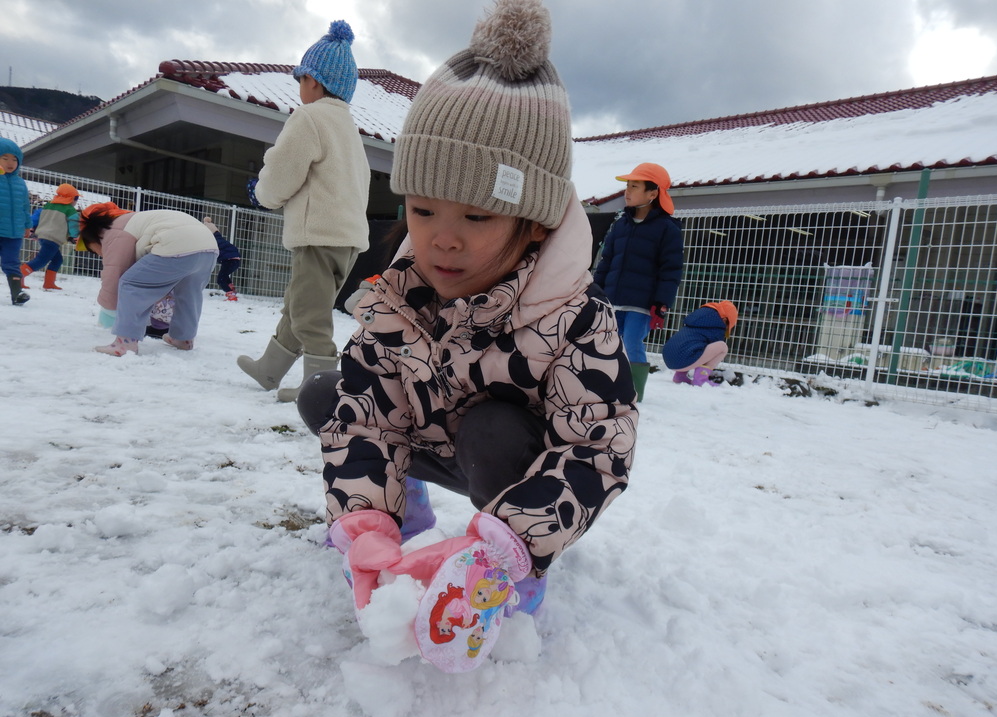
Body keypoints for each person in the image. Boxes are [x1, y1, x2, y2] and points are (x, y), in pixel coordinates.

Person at [296, 0, 637, 673]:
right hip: (432, 440)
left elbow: (596, 450)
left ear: (534, 222)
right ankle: (406, 515)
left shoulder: (571, 315)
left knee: (495, 429)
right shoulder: (401, 293)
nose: (441, 238)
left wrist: (508, 543)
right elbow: (368, 418)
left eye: (477, 215)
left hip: (513, 468)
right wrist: (367, 521)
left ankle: (515, 570)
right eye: (423, 209)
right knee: (332, 396)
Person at [237, 19, 371, 402]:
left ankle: (321, 390)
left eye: (301, 80)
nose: (299, 90)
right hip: (345, 239)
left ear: (314, 81)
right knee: (301, 304)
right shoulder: (349, 129)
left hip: (317, 234)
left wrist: (264, 193)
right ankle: (269, 369)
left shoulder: (310, 118)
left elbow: (284, 168)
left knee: (310, 314)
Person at [592, 162, 685, 401]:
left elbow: (671, 270)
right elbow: (607, 261)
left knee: (632, 341)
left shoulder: (667, 229)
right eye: (627, 186)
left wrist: (661, 303)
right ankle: (609, 387)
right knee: (609, 343)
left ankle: (634, 391)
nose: (628, 191)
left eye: (635, 186)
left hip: (642, 303)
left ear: (653, 193)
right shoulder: (620, 225)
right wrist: (595, 291)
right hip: (613, 299)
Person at [79, 206, 218, 356]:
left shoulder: (113, 232)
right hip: (209, 248)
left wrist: (108, 307)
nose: (97, 254)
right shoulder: (135, 220)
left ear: (91, 237)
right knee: (189, 294)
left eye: (92, 250)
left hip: (175, 244)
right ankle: (183, 339)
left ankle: (125, 343)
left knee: (131, 284)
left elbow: (115, 272)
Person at [662, 301, 738, 387]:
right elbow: (711, 354)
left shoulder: (699, 318)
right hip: (682, 361)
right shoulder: (717, 326)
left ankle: (680, 376)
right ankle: (701, 379)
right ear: (724, 319)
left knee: (690, 346)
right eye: (728, 324)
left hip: (668, 357)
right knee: (722, 347)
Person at [21, 183, 80, 291]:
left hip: (43, 236)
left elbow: (37, 216)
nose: (76, 202)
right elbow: (74, 225)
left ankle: (49, 283)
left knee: (57, 259)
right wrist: (74, 236)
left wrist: (33, 227)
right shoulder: (70, 210)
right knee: (41, 260)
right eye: (76, 198)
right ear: (72, 198)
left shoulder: (48, 205)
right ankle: (19, 275)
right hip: (53, 238)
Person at [0, 137, 32, 305]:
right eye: (5, 158)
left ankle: (17, 293)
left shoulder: (20, 183)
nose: (10, 162)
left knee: (12, 262)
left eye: (14, 159)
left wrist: (27, 225)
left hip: (13, 233)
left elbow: (25, 206)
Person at [202, 216, 241, 301]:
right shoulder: (218, 238)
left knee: (221, 279)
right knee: (225, 275)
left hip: (229, 260)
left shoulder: (212, 241)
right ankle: (231, 288)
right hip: (235, 260)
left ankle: (231, 295)